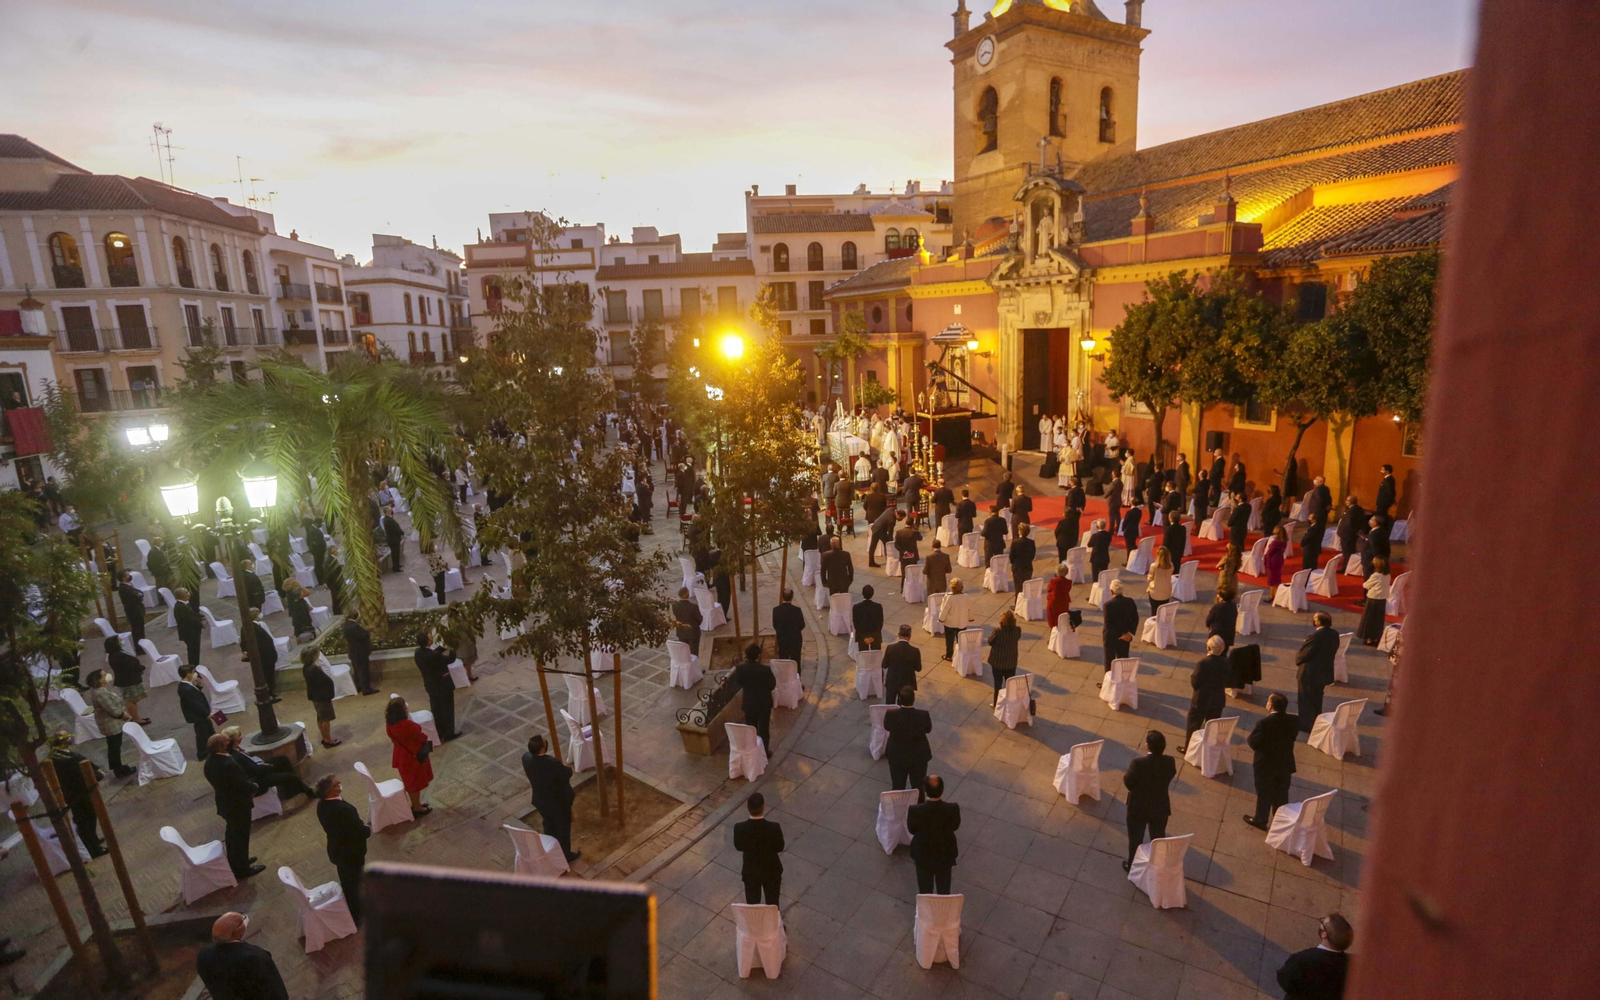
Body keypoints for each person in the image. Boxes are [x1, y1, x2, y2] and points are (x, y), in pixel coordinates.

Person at [204, 734, 265, 878]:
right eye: (226, 741)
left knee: (232, 835)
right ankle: (242, 869)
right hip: (238, 805)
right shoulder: (227, 765)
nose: (229, 742)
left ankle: (238, 861)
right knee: (240, 836)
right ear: (221, 746)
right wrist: (254, 786)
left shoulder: (210, 762)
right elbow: (240, 785)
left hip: (226, 804)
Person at [314, 775, 370, 923]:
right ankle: (356, 916)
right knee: (352, 883)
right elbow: (359, 832)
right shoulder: (344, 809)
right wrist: (366, 829)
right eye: (335, 784)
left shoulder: (322, 805)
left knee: (348, 879)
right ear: (330, 791)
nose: (340, 784)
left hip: (338, 850)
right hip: (351, 852)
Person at [195, 912, 288, 1000]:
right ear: (237, 933)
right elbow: (276, 991)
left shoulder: (204, 954)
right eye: (243, 919)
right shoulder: (255, 958)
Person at [1122, 730, 1177, 871]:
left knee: (1135, 839)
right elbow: (1170, 775)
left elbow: (1128, 782)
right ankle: (1158, 864)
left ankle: (1132, 865)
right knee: (1158, 837)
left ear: (1148, 746)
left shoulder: (1138, 764)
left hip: (1138, 807)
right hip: (1160, 806)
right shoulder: (1170, 762)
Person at [46, 731, 107, 858]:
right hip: (78, 793)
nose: (70, 738)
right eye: (67, 737)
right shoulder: (66, 759)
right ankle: (93, 849)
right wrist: (98, 775)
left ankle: (93, 839)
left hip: (76, 793)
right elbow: (79, 773)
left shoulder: (61, 755)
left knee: (87, 818)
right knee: (86, 819)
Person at [1244, 693, 1299, 829]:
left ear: (1271, 705)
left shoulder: (1264, 724)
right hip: (1285, 762)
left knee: (1264, 792)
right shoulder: (1294, 721)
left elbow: (1253, 742)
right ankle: (1281, 820)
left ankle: (1261, 819)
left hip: (1266, 764)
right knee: (1281, 793)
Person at [522, 734, 580, 862]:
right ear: (542, 749)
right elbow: (566, 773)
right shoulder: (552, 763)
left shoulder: (526, 759)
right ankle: (566, 854)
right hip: (558, 801)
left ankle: (551, 848)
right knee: (563, 828)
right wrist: (565, 767)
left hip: (541, 801)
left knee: (549, 824)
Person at [224, 727, 315, 802]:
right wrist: (271, 767)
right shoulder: (235, 756)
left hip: (259, 766)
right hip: (258, 779)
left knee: (283, 759)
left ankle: (291, 790)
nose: (242, 737)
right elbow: (255, 771)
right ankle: (308, 792)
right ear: (233, 739)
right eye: (239, 736)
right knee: (291, 776)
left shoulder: (235, 749)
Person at [1276, 913, 1353, 1000]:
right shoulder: (1353, 965)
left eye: (1323, 922)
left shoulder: (1302, 960)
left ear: (1324, 934)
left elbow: (1283, 979)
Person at [906, 775, 960, 894]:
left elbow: (912, 830)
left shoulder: (915, 810)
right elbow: (955, 826)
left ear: (925, 791)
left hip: (922, 853)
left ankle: (926, 910)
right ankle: (942, 909)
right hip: (945, 853)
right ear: (942, 789)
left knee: (925, 888)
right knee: (944, 887)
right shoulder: (952, 808)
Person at [732, 792, 784, 905]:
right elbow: (780, 847)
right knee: (773, 904)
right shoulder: (774, 828)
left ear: (748, 808)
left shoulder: (739, 828)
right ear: (764, 807)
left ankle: (755, 922)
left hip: (751, 871)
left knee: (753, 905)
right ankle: (773, 922)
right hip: (771, 870)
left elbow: (738, 846)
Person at [1182, 636, 1231, 751]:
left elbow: (1195, 681)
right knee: (1212, 727)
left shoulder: (1203, 663)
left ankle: (1189, 748)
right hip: (1217, 699)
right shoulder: (1226, 662)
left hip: (1201, 700)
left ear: (1208, 647)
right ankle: (1210, 748)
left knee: (1194, 725)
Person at [385, 697, 433, 816]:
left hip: (401, 755)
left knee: (411, 782)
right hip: (412, 757)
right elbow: (421, 736)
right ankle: (417, 807)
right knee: (414, 784)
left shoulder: (389, 723)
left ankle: (417, 804)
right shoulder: (406, 724)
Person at [1295, 613, 1341, 733]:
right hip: (1324, 672)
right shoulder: (1334, 634)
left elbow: (1303, 654)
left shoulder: (1316, 636)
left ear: (1319, 622)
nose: (1313, 621)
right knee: (1317, 698)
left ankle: (1306, 724)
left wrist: (1298, 660)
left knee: (1305, 699)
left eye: (1315, 620)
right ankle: (1316, 720)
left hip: (1310, 673)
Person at [85, 670, 135, 778]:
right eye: (104, 675)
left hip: (110, 722)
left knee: (114, 746)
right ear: (100, 679)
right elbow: (112, 709)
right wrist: (124, 715)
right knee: (114, 747)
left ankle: (118, 767)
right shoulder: (100, 693)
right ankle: (118, 770)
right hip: (110, 724)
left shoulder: (100, 690)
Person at [884, 686, 933, 792]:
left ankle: (899, 807)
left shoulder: (891, 714)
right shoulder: (923, 715)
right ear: (913, 699)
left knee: (897, 786)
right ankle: (918, 806)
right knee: (918, 787)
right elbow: (928, 729)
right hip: (918, 756)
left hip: (897, 756)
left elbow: (887, 727)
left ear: (899, 700)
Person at [414, 631, 461, 741]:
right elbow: (450, 659)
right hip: (443, 685)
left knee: (436, 709)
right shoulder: (434, 656)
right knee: (447, 709)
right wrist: (452, 648)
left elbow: (432, 654)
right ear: (428, 641)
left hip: (431, 685)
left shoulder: (418, 652)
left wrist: (441, 648)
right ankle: (449, 733)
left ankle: (440, 732)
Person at [733, 642, 777, 748]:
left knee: (751, 728)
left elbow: (739, 683)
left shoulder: (740, 669)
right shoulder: (765, 670)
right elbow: (772, 685)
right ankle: (764, 751)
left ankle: (752, 749)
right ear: (758, 655)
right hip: (764, 703)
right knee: (764, 729)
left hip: (749, 702)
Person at [300, 649, 341, 748]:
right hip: (322, 696)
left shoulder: (306, 667)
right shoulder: (314, 669)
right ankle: (328, 740)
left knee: (320, 718)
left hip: (315, 696)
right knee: (325, 719)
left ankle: (324, 737)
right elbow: (324, 681)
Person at [105, 635, 149, 724]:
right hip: (128, 681)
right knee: (131, 700)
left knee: (133, 700)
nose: (121, 641)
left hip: (128, 680)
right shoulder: (118, 656)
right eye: (119, 640)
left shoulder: (116, 654)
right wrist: (141, 668)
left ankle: (136, 716)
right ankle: (136, 718)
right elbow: (130, 666)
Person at [177, 664, 217, 759]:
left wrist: (199, 684)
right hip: (199, 716)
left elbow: (195, 694)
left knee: (209, 731)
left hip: (201, 715)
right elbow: (195, 704)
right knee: (202, 735)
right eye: (193, 672)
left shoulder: (185, 685)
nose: (195, 674)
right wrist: (207, 714)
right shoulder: (187, 689)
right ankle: (202, 754)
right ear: (188, 675)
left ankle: (214, 747)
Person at [987, 609, 1021, 707]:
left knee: (998, 684)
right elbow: (1017, 637)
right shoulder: (1017, 630)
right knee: (1010, 685)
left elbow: (990, 641)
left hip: (998, 662)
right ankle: (1010, 703)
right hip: (1011, 662)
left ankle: (996, 703)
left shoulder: (998, 631)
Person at [1102, 579, 1138, 672]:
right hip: (1126, 635)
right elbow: (1135, 618)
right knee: (1123, 659)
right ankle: (1122, 679)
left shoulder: (1108, 605)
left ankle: (1109, 682)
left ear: (1111, 591)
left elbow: (1108, 624)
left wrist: (1118, 635)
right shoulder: (1130, 601)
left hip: (1111, 637)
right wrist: (1129, 633)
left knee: (1109, 660)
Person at [244, 610, 279, 701]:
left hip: (265, 656)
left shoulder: (255, 626)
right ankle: (270, 694)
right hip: (265, 657)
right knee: (268, 676)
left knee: (268, 675)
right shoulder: (252, 627)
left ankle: (271, 692)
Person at [882, 624, 922, 700]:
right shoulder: (915, 651)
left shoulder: (890, 648)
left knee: (890, 704)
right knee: (904, 705)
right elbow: (918, 668)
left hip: (892, 681)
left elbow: (884, 665)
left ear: (898, 635)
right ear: (910, 636)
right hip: (907, 683)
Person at [1357, 556, 1392, 645]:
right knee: (1378, 620)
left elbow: (1365, 585)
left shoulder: (1376, 575)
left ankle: (1369, 638)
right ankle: (1376, 637)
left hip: (1373, 599)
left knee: (1369, 619)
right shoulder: (1387, 575)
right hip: (1382, 599)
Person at [342, 615, 377, 695]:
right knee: (364, 671)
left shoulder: (346, 624)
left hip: (353, 652)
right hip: (360, 652)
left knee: (357, 671)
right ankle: (366, 689)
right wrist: (368, 632)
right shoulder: (355, 626)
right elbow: (363, 636)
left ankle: (359, 686)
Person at [939, 578, 970, 660]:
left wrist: (941, 618)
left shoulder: (949, 597)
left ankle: (949, 655)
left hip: (950, 623)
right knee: (960, 640)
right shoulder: (965, 596)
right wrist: (970, 617)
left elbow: (944, 609)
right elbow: (969, 608)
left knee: (949, 641)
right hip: (962, 621)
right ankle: (960, 656)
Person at [772, 588, 805, 663]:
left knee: (783, 659)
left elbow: (775, 625)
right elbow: (802, 624)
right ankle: (796, 674)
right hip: (795, 639)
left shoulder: (776, 610)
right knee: (796, 660)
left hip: (782, 638)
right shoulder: (797, 610)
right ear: (792, 597)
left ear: (782, 597)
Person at [173, 586, 203, 667]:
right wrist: (201, 624)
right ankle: (193, 667)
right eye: (187, 593)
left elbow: (193, 614)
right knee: (193, 651)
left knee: (195, 651)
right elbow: (190, 619)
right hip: (190, 633)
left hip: (192, 632)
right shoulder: (181, 607)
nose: (189, 594)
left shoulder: (185, 604)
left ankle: (196, 666)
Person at [1336, 497, 1367, 571]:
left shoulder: (1350, 511)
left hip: (1347, 534)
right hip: (1353, 534)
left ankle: (1345, 567)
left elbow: (1349, 523)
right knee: (1351, 550)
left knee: (1346, 552)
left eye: (1347, 500)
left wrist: (1342, 531)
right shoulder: (1359, 509)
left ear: (1351, 502)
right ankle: (1349, 567)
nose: (1345, 501)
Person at [852, 583, 884, 654]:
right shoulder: (878, 607)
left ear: (862, 593)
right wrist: (872, 636)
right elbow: (880, 623)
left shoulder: (856, 607)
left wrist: (864, 637)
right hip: (875, 636)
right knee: (875, 656)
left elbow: (856, 624)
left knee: (863, 656)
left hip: (862, 636)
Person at [116, 572, 147, 644]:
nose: (129, 576)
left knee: (140, 629)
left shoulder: (128, 586)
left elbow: (139, 592)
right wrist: (139, 596)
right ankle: (139, 646)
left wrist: (139, 595)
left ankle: (142, 644)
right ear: (123, 578)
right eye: (127, 575)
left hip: (137, 610)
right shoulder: (123, 588)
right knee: (137, 630)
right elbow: (135, 597)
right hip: (133, 612)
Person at [673, 585, 704, 658]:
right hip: (693, 633)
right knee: (694, 653)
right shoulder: (693, 607)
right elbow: (699, 619)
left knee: (684, 652)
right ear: (688, 594)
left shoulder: (675, 605)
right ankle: (695, 668)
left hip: (681, 632)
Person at [866, 492, 894, 567]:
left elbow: (864, 506)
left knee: (873, 546)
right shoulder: (892, 518)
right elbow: (890, 532)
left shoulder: (891, 510)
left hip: (876, 526)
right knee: (886, 543)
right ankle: (888, 558)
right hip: (879, 529)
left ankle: (871, 561)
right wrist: (892, 541)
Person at [1206, 585, 1238, 652]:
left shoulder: (1217, 607)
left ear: (1221, 597)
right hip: (1228, 635)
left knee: (1214, 653)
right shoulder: (1233, 606)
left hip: (1217, 636)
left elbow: (1209, 620)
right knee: (1224, 653)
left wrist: (1209, 626)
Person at [1146, 546, 1174, 616]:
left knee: (1154, 610)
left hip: (1155, 592)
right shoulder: (1171, 565)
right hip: (1166, 592)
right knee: (1163, 611)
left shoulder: (1154, 566)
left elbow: (1150, 578)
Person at [1045, 563, 1073, 629]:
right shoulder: (1068, 582)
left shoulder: (1054, 581)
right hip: (1064, 602)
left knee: (1053, 621)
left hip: (1054, 603)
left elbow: (1048, 588)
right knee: (1062, 620)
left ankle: (1053, 636)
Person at [381, 506, 405, 571]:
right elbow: (394, 528)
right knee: (395, 553)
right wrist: (401, 532)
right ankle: (395, 567)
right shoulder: (387, 520)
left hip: (394, 538)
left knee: (396, 552)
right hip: (393, 539)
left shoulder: (388, 519)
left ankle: (397, 564)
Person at [1105, 473, 1124, 541]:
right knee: (1117, 514)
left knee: (1111, 515)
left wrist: (1105, 496)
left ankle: (1111, 529)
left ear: (1114, 475)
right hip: (1118, 500)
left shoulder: (1113, 483)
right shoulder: (1120, 482)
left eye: (1112, 474)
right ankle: (1118, 527)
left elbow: (1108, 492)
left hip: (1112, 501)